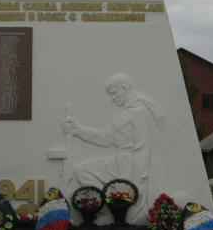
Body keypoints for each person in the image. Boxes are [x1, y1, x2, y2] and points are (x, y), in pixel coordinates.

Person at [62, 73, 163, 220]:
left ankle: (113, 210)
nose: (112, 98)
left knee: (85, 172)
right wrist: (78, 129)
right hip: (119, 161)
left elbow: (142, 147)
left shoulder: (139, 111)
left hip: (130, 166)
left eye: (114, 93)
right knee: (82, 170)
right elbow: (106, 139)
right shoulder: (124, 113)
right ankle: (104, 208)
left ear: (125, 88)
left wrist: (138, 181)